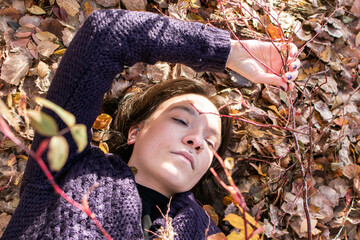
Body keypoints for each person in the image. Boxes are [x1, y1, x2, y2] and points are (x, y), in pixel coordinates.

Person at [1, 9, 300, 240]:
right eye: (182, 120)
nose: (197, 140)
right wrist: (228, 53)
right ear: (136, 131)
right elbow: (105, 34)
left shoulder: (208, 233)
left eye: (211, 143)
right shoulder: (67, 164)